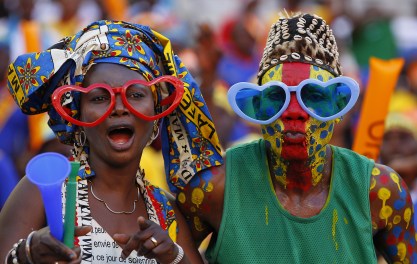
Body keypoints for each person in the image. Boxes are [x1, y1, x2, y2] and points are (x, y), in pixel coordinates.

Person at [171, 13, 417, 263]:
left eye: (314, 97)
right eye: (276, 97)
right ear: (257, 108)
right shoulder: (215, 188)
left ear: (338, 108)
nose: (294, 113)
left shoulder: (378, 191)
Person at [0, 20, 206, 263]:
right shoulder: (44, 192)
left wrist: (174, 256)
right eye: (99, 98)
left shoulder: (167, 211)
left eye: (136, 95)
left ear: (156, 110)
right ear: (77, 114)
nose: (119, 108)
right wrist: (27, 255)